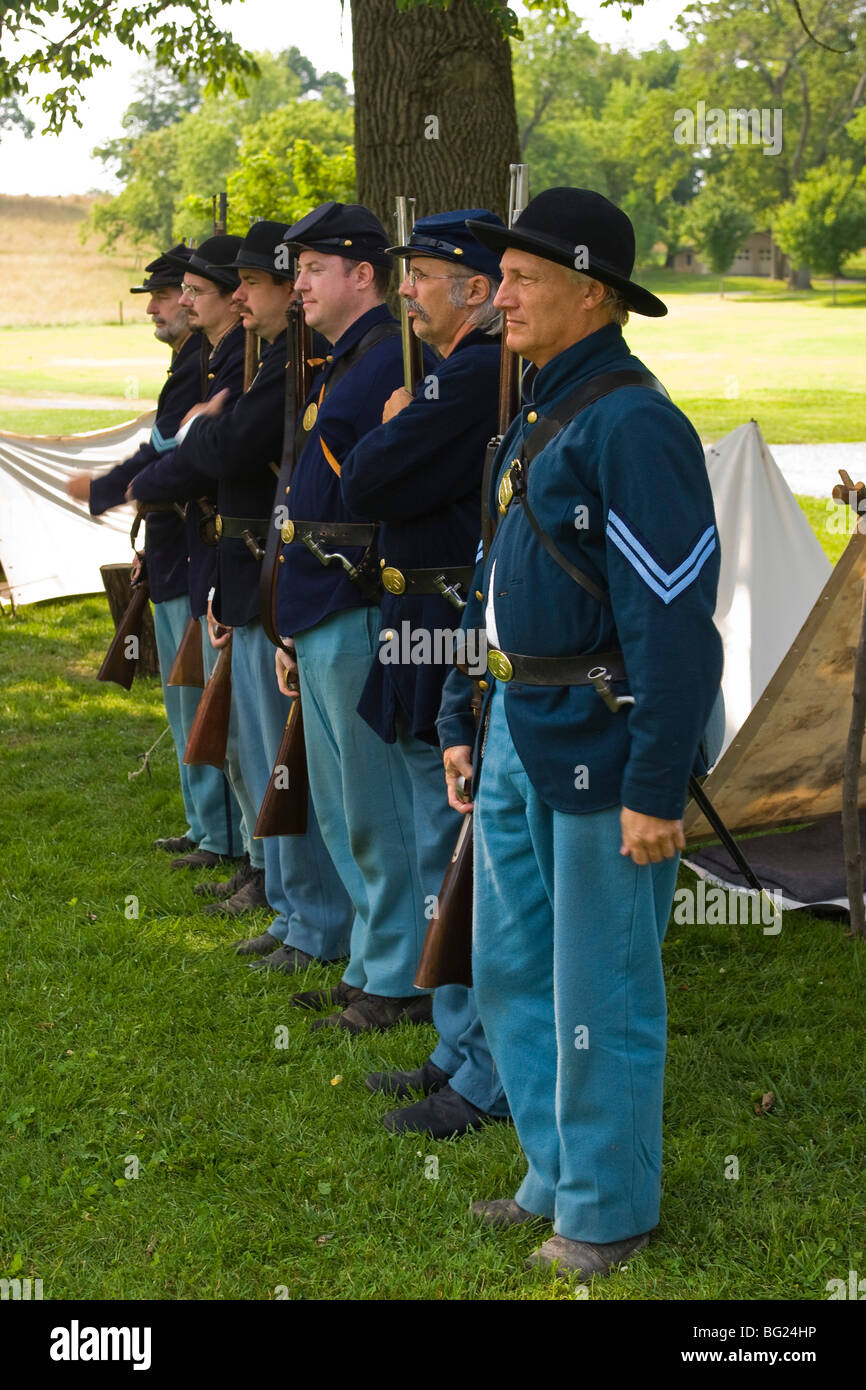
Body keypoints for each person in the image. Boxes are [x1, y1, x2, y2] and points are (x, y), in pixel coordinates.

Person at [436, 187, 723, 1276]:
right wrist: (468, 712)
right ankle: (552, 1172)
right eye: (499, 279)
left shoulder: (634, 423)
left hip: (604, 738)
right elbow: (496, 579)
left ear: (588, 291)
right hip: (516, 716)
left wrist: (657, 781)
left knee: (601, 983)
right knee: (509, 967)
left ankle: (606, 1209)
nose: (496, 295)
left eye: (520, 279)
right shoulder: (541, 406)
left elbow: (675, 620)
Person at [132, 221, 353, 966]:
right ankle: (294, 910)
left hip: (281, 579)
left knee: (289, 765)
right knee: (267, 759)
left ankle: (311, 917)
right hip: (252, 574)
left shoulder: (297, 362)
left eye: (251, 285)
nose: (246, 299)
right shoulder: (274, 361)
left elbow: (232, 450)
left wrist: (194, 437)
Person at [338, 209, 509, 1136]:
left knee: (457, 850)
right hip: (420, 622)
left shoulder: (475, 376)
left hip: (446, 627)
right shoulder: (458, 373)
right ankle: (457, 1043)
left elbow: (365, 484)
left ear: (474, 291)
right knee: (430, 843)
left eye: (425, 274)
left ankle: (481, 1063)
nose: (404, 288)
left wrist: (401, 422)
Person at [272, 201, 436, 1030]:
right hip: (321, 600)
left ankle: (402, 976)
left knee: (376, 809)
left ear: (360, 273)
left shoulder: (386, 360)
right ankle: (376, 960)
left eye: (311, 269)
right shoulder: (349, 360)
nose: (296, 283)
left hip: (357, 599)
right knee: (343, 806)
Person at [66, 244, 243, 869]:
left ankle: (224, 837)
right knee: (184, 693)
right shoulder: (193, 362)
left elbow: (180, 461)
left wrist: (121, 490)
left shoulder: (209, 363)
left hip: (199, 549)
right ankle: (209, 828)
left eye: (168, 294)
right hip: (173, 546)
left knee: (201, 697)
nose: (157, 308)